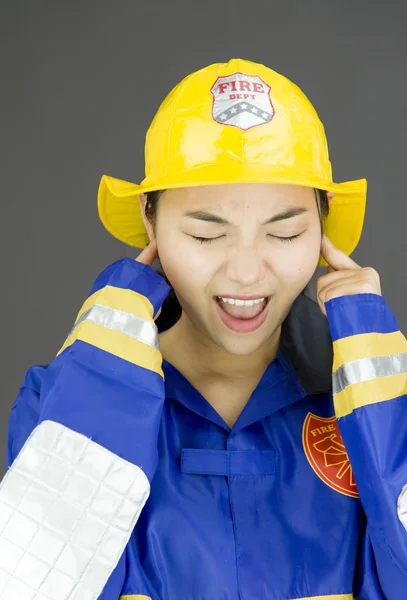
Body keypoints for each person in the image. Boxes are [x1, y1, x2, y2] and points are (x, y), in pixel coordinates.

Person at [1, 57, 407, 600]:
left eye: (284, 233)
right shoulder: (60, 400)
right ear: (151, 221)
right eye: (205, 234)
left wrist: (379, 386)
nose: (245, 272)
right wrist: (108, 357)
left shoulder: (371, 406)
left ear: (323, 224)